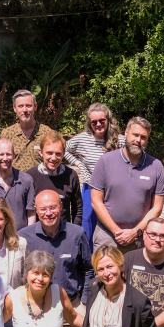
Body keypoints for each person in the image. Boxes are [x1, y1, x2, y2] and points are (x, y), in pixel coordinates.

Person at [19, 190, 95, 327]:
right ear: (36, 210)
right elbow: (20, 273)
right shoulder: (24, 237)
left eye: (53, 207)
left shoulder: (77, 234)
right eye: (43, 209)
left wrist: (85, 301)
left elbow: (88, 269)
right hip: (38, 309)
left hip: (74, 306)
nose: (48, 213)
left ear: (61, 207)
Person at [90, 116, 164, 252]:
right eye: (135, 135)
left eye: (143, 137)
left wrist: (135, 232)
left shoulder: (156, 166)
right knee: (105, 273)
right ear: (126, 133)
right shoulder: (106, 161)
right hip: (107, 236)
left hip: (139, 238)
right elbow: (96, 201)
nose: (138, 140)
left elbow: (157, 207)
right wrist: (117, 231)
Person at [65, 103, 124, 243]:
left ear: (108, 120)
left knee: (111, 223)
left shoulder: (120, 140)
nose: (98, 124)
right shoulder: (82, 139)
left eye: (101, 121)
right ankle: (88, 258)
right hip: (90, 188)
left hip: (114, 190)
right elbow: (64, 149)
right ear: (89, 123)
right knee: (87, 224)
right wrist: (77, 163)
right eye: (94, 122)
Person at [0, 138, 36, 232]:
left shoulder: (26, 180)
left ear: (14, 155)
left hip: (19, 238)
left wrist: (28, 236)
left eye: (8, 154)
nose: (5, 158)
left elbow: (31, 212)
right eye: (1, 154)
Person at [26, 131, 82, 225]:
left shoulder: (71, 175)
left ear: (64, 153)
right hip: (37, 233)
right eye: (49, 153)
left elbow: (78, 207)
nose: (54, 158)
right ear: (41, 152)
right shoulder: (30, 177)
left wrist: (75, 231)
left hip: (64, 233)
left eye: (58, 153)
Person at [1, 89, 51, 171]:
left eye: (28, 106)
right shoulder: (7, 134)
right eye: (20, 106)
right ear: (14, 108)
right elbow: (1, 162)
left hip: (39, 182)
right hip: (15, 183)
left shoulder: (47, 133)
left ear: (35, 106)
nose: (24, 110)